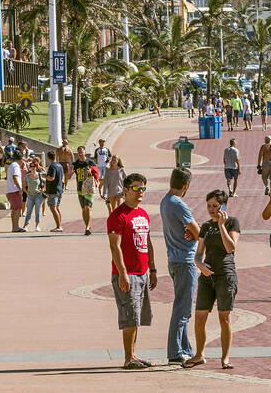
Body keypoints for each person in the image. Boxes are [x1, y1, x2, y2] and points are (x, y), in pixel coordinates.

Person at [182, 190, 241, 370]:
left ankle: (225, 358)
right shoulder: (206, 226)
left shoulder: (232, 222)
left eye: (215, 206)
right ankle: (199, 355)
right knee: (200, 317)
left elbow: (230, 247)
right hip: (207, 277)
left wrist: (222, 225)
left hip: (226, 275)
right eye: (209, 206)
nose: (211, 209)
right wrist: (200, 265)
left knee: (224, 317)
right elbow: (198, 254)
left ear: (223, 206)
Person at [107, 173, 157, 369]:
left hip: (143, 272)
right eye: (136, 188)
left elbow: (148, 242)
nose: (140, 192)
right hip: (127, 274)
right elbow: (114, 247)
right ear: (126, 189)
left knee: (137, 317)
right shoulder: (117, 215)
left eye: (143, 188)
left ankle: (134, 355)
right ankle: (128, 358)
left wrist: (152, 269)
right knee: (129, 315)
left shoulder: (143, 214)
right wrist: (122, 273)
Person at [160, 167, 201, 364]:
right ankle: (175, 351)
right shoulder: (178, 204)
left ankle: (185, 348)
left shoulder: (165, 201)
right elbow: (197, 231)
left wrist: (189, 232)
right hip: (185, 260)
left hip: (174, 259)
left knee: (182, 306)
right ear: (185, 185)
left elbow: (186, 229)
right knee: (183, 309)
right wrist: (194, 233)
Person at [67, 146, 100, 236]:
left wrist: (92, 173)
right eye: (79, 152)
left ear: (85, 152)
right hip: (80, 187)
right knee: (83, 209)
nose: (80, 154)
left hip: (89, 187)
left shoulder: (90, 162)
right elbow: (68, 177)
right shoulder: (75, 164)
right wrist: (69, 172)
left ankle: (87, 227)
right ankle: (87, 226)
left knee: (88, 207)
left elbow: (97, 173)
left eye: (82, 152)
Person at [22, 158, 46, 232]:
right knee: (29, 211)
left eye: (34, 167)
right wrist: (26, 192)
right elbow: (23, 185)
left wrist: (43, 189)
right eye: (31, 167)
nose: (32, 168)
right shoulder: (27, 176)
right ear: (29, 168)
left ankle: (37, 226)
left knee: (37, 210)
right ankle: (25, 225)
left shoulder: (40, 175)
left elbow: (46, 182)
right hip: (30, 195)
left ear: (36, 167)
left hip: (38, 195)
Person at [45, 151, 64, 232]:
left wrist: (44, 176)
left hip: (53, 190)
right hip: (59, 189)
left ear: (48, 158)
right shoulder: (59, 165)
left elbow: (51, 178)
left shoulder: (52, 166)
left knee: (53, 208)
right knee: (57, 208)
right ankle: (59, 225)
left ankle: (58, 226)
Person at [6, 151, 25, 232]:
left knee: (14, 209)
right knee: (17, 209)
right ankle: (15, 227)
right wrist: (20, 189)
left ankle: (14, 226)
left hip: (11, 190)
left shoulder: (11, 165)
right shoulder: (16, 166)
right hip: (15, 190)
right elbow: (15, 177)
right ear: (20, 159)